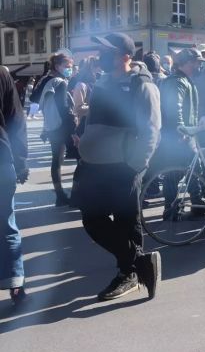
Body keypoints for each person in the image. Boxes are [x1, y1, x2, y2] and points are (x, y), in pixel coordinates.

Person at [72, 33, 161, 301]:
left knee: (126, 222)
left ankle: (128, 274)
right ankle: (141, 262)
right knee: (92, 220)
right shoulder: (102, 82)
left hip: (124, 166)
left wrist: (136, 164)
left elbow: (152, 130)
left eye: (106, 51)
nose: (100, 55)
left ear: (125, 56)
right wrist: (85, 139)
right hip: (94, 164)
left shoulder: (141, 85)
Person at [155, 48, 202, 218]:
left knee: (193, 169)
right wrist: (181, 129)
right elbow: (175, 107)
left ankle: (196, 204)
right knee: (174, 173)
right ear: (187, 63)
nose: (199, 66)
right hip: (178, 135)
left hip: (182, 133)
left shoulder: (182, 80)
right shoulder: (177, 82)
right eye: (197, 62)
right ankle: (171, 209)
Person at [0, 66, 28, 305]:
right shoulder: (1, 75)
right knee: (6, 224)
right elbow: (16, 120)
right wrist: (20, 162)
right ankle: (16, 286)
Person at [36, 51, 77, 206]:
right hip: (63, 127)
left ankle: (60, 195)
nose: (70, 69)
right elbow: (64, 108)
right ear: (58, 66)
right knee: (82, 160)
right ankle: (76, 195)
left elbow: (36, 99)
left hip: (52, 126)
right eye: (67, 66)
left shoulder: (49, 81)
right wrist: (73, 131)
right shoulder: (61, 82)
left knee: (57, 161)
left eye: (71, 66)